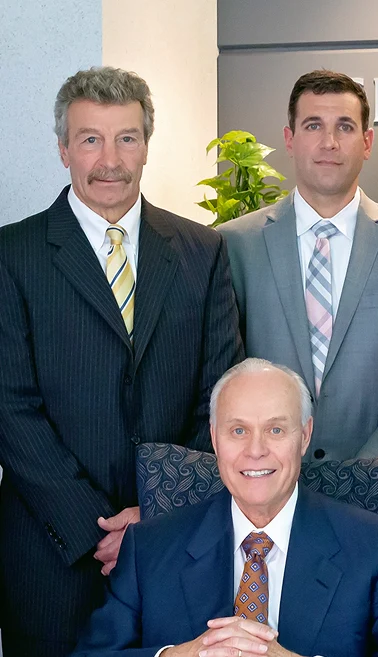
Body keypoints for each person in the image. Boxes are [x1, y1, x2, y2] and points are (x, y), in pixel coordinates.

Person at [0, 67, 243, 657]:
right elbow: (11, 409)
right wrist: (95, 529)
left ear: (146, 145)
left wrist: (156, 514)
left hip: (174, 547)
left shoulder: (202, 251)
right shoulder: (12, 255)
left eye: (126, 138)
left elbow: (222, 395)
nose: (109, 159)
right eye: (90, 139)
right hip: (49, 555)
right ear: (63, 149)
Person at [73, 358, 378, 657]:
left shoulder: (376, 546)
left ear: (305, 435)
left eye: (276, 430)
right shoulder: (149, 546)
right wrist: (176, 656)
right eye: (238, 431)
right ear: (214, 438)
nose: (256, 450)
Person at [218, 70, 378, 463]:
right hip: (265, 483)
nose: (329, 142)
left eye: (345, 127)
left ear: (367, 142)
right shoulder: (234, 244)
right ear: (289, 139)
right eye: (313, 125)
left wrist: (362, 475)